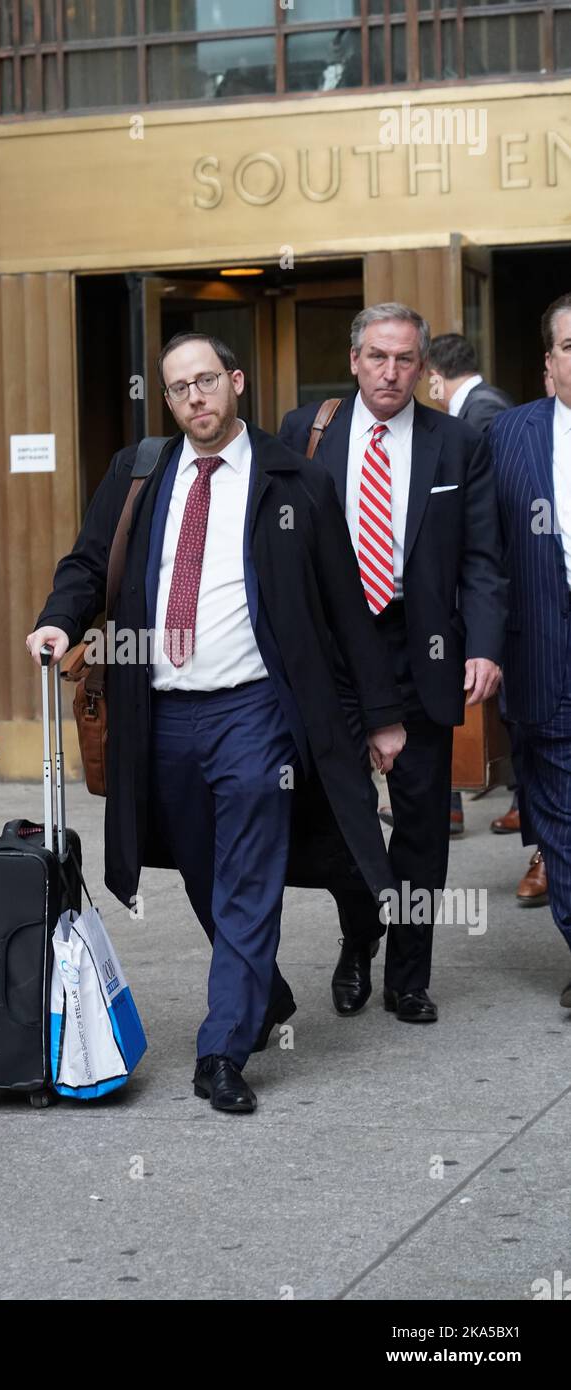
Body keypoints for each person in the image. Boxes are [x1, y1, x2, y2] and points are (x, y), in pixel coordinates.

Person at [27, 333, 406, 1114]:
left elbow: (345, 606)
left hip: (254, 711)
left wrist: (381, 716)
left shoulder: (293, 478)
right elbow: (88, 563)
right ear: (166, 400)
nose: (195, 397)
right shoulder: (140, 474)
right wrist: (60, 620)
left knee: (246, 878)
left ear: (235, 383)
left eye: (207, 381)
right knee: (198, 869)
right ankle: (262, 993)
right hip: (160, 711)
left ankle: (223, 1049)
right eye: (178, 388)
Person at [279, 303, 507, 1023]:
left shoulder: (457, 442)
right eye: (377, 357)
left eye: (405, 359)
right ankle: (359, 937)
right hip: (334, 659)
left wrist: (484, 644)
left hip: (421, 652)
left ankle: (410, 976)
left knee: (419, 825)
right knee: (339, 821)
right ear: (353, 360)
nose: (390, 371)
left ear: (423, 367)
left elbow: (481, 556)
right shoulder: (305, 433)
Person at [490, 292, 571, 1010]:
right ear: (550, 363)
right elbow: (481, 555)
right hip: (546, 656)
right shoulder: (510, 436)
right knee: (560, 816)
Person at [425, 333, 515, 836]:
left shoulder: (478, 412)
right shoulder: (488, 404)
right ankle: (457, 799)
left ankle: (472, 799)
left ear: (436, 374)